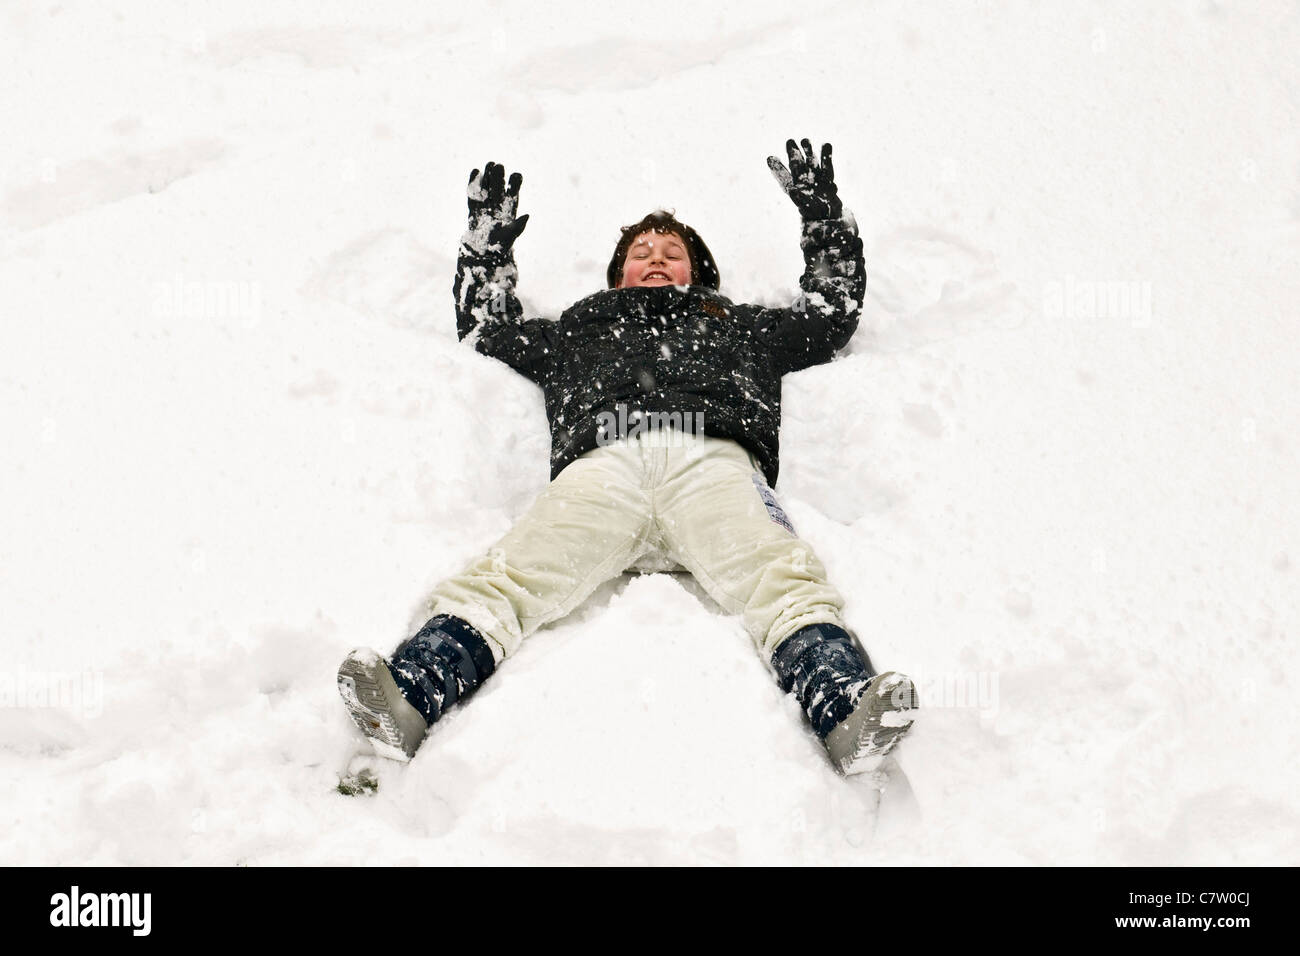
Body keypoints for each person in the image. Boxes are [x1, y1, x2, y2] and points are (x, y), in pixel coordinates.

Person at [337, 139, 917, 775]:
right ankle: (411, 695)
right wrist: (485, 251)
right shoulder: (579, 327)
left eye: (673, 252)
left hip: (713, 462)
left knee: (781, 579)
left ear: (699, 271)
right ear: (619, 274)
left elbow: (831, 316)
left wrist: (824, 220)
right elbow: (487, 330)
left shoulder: (738, 323)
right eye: (643, 252)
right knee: (508, 577)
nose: (658, 259)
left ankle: (844, 711)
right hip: (603, 465)